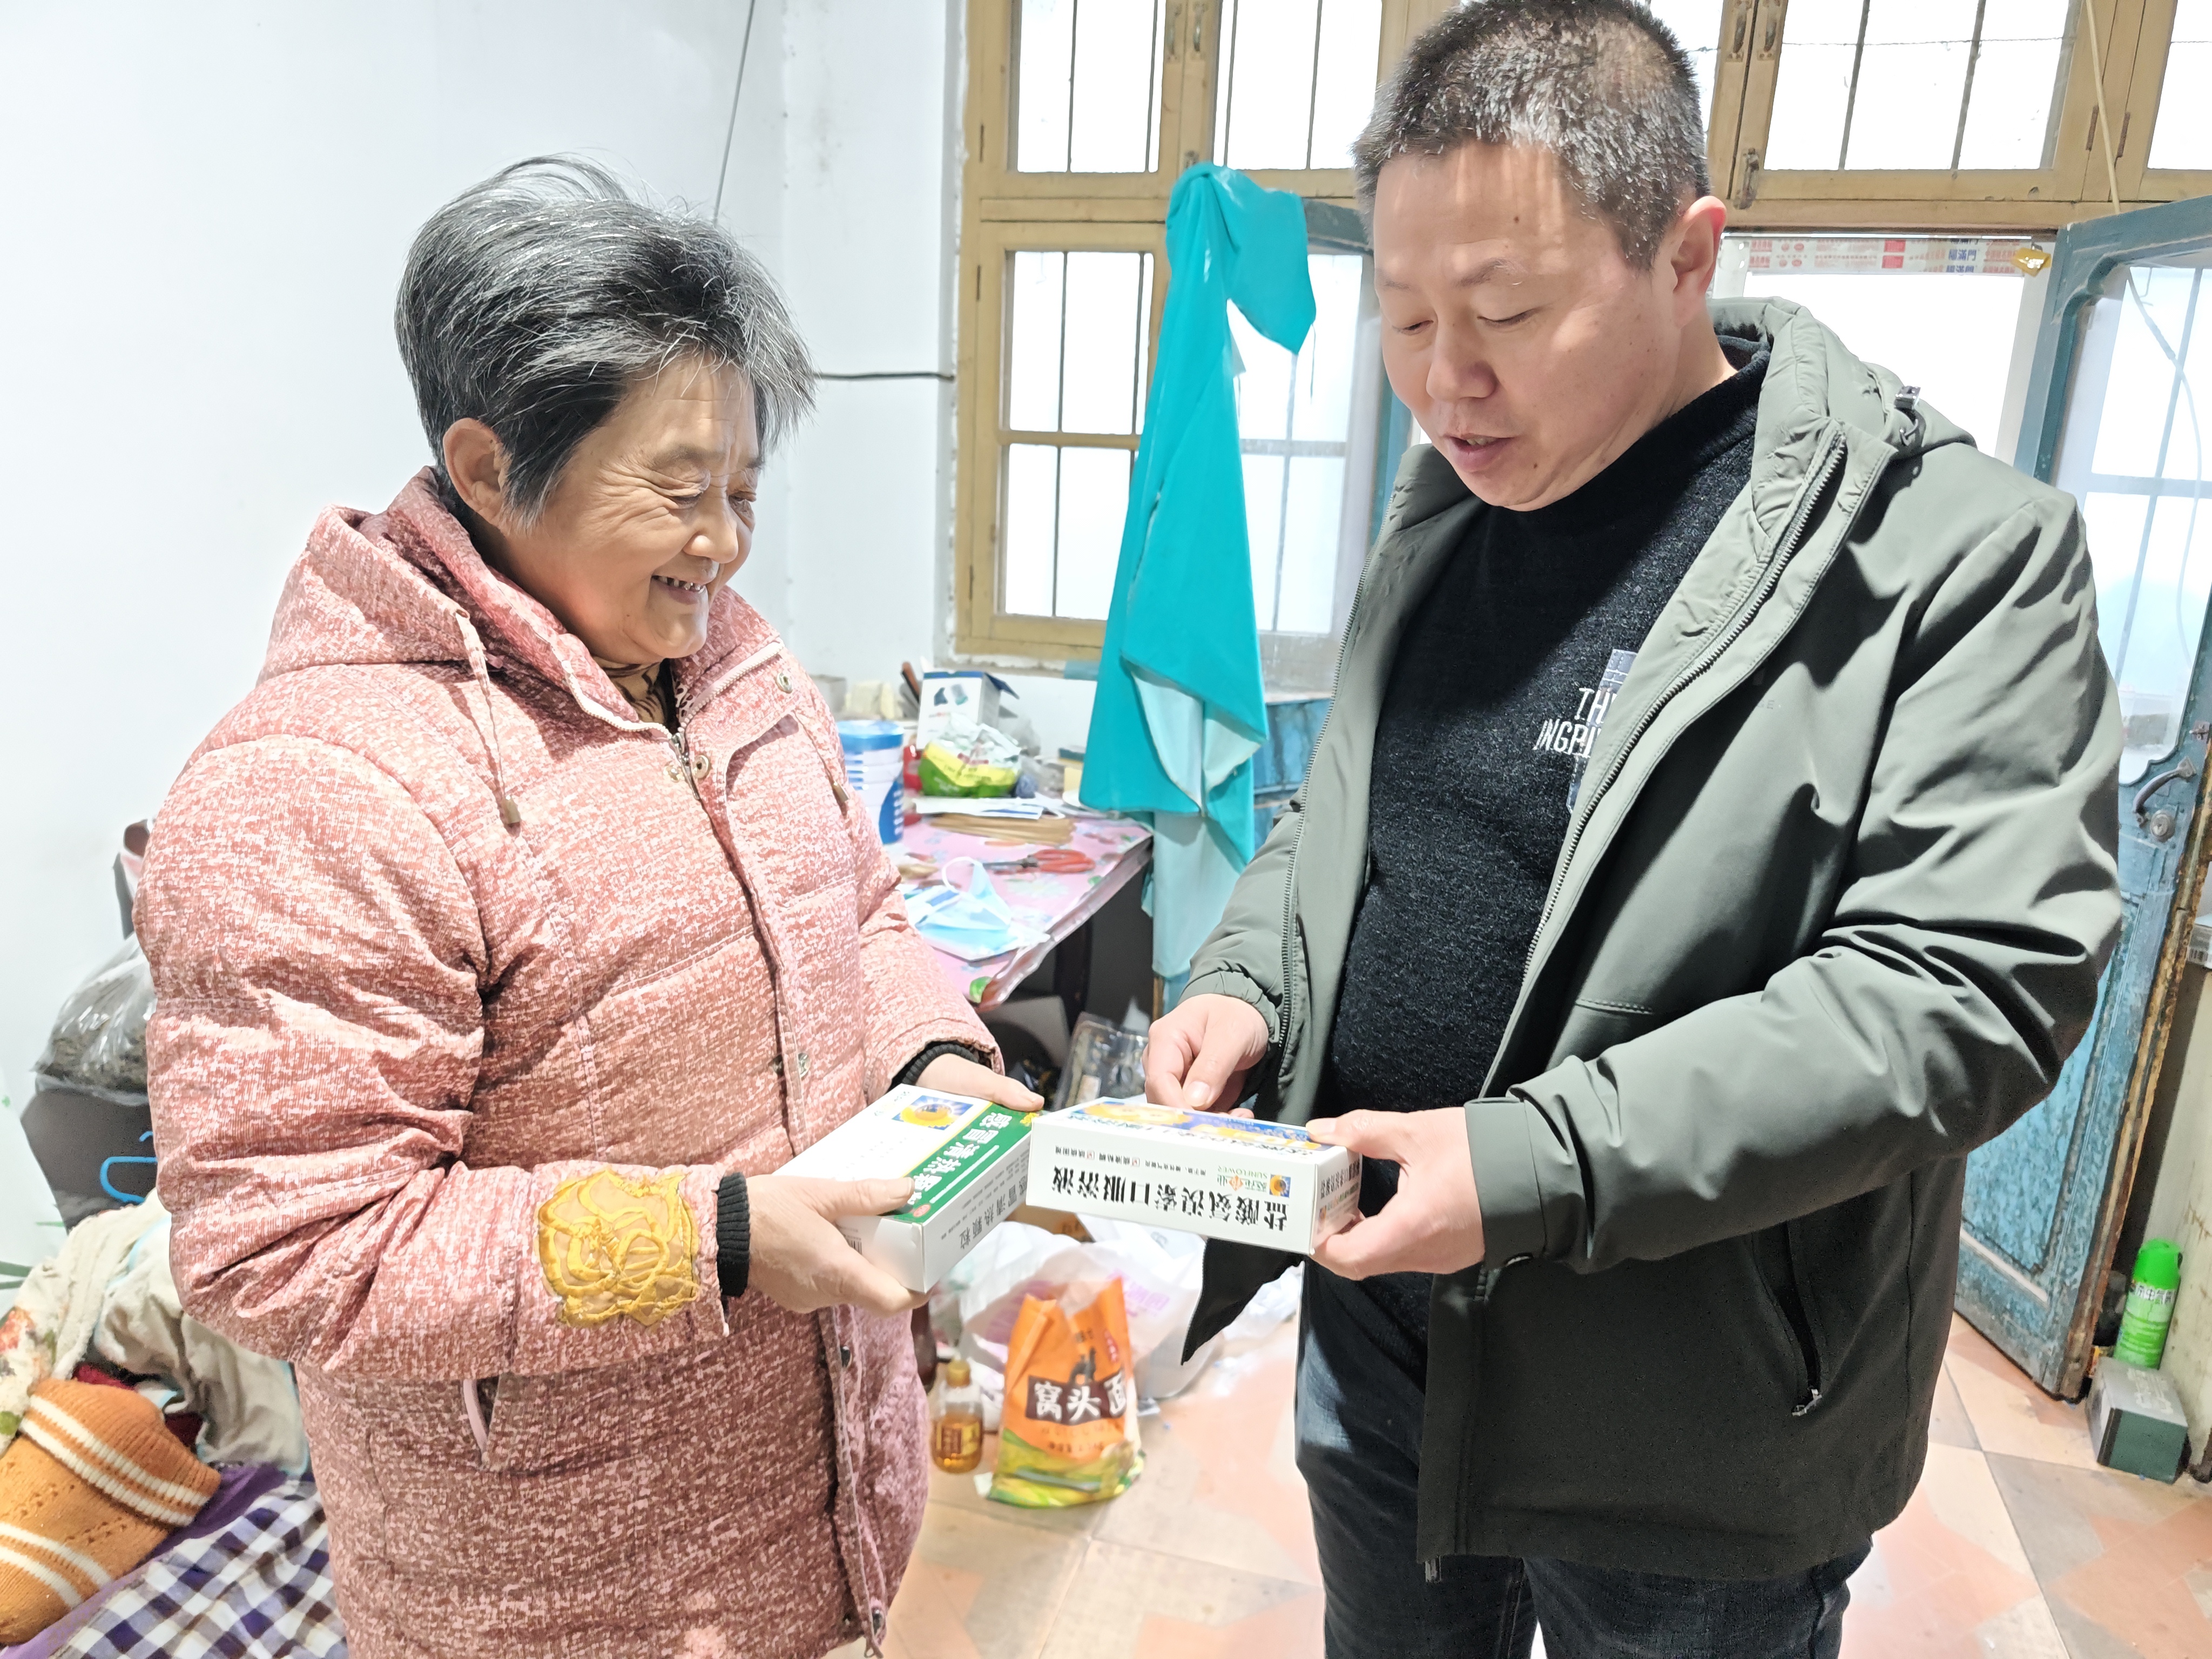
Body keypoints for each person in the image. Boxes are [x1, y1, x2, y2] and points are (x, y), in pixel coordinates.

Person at [1144, 5, 2123, 1657]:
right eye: (1404, 318)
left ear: (1686, 254)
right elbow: (1356, 812)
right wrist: (1253, 981)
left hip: (1691, 1428)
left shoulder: (1952, 555)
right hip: (1382, 1342)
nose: (1447, 380)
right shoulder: (1448, 506)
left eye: (1508, 313)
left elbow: (1967, 992)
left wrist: (1526, 1163)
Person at [136, 158, 1036, 1659]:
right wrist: (720, 1239)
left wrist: (929, 1058)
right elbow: (290, 1244)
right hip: (563, 1602)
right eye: (679, 494)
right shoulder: (324, 783)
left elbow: (865, 914)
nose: (724, 545)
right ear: (490, 470)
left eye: (743, 493)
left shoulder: (738, 671)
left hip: (830, 1527)